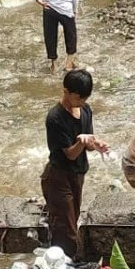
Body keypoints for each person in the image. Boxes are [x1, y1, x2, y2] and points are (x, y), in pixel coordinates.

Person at [41, 69, 109, 259]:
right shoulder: (55, 117)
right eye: (78, 99)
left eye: (84, 99)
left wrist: (97, 144)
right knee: (67, 228)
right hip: (59, 176)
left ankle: (63, 260)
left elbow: (88, 145)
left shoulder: (86, 109)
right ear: (66, 91)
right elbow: (70, 154)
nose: (81, 103)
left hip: (77, 175)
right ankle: (65, 265)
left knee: (73, 218)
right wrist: (81, 141)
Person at [27, 0, 80, 74]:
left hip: (48, 7)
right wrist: (74, 10)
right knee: (71, 35)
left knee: (50, 35)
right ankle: (68, 64)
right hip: (65, 8)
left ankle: (54, 65)